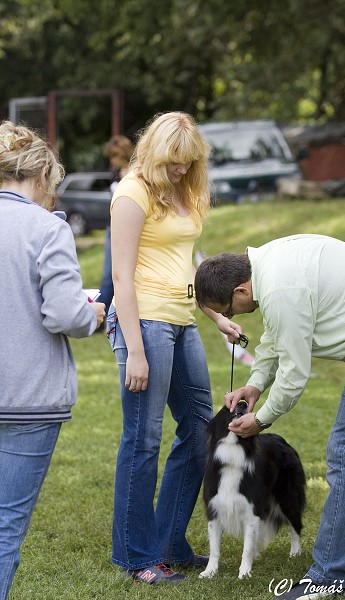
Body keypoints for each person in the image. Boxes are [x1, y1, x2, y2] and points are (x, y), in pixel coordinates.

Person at [194, 233, 345, 599]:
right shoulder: (267, 268)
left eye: (226, 311)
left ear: (241, 290)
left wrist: (260, 420)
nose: (229, 317)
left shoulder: (278, 289)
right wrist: (255, 386)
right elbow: (276, 337)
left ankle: (327, 577)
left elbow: (293, 373)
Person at [106, 111, 240, 585]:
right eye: (174, 162)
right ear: (155, 153)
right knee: (142, 438)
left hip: (182, 322)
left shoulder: (188, 191)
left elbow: (182, 263)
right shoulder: (132, 192)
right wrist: (136, 350)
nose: (181, 170)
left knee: (201, 431)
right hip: (144, 323)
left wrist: (214, 313)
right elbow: (121, 276)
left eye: (189, 162)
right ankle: (135, 556)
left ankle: (167, 543)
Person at [0, 120, 105, 599]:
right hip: (29, 400)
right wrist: (95, 313)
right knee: (5, 527)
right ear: (42, 172)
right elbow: (65, 314)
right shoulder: (47, 229)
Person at [98, 135, 135, 318]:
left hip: (130, 228)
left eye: (115, 155)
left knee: (123, 273)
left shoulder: (136, 173)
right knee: (109, 274)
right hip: (113, 227)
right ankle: (101, 314)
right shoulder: (115, 174)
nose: (112, 160)